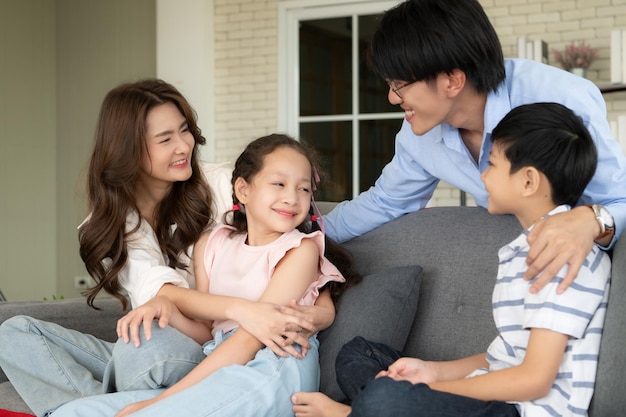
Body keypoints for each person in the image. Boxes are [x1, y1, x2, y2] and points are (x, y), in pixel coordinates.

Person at [0, 80, 329, 416]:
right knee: (13, 333)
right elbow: (165, 296)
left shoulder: (225, 183)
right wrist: (243, 310)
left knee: (141, 352)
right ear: (129, 151)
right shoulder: (109, 227)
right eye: (165, 139)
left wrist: (319, 311)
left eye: (184, 131)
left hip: (196, 348)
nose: (184, 146)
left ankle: (130, 405)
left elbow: (305, 240)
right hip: (194, 337)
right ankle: (121, 405)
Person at [294, 102, 611, 417]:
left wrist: (425, 391)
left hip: (518, 410)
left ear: (528, 181)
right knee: (359, 354)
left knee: (385, 399)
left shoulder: (562, 256)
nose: (483, 176)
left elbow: (534, 381)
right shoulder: (524, 248)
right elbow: (500, 356)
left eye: (493, 165)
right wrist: (430, 371)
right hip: (489, 393)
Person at [323, 0, 626, 295]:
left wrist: (591, 220)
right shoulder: (419, 134)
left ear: (452, 81)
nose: (391, 98)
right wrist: (305, 231)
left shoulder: (559, 98)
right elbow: (387, 200)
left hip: (584, 275)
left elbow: (619, 198)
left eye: (399, 84)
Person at [48, 133, 362, 417]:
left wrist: (159, 402)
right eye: (279, 184)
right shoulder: (211, 244)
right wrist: (169, 311)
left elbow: (249, 340)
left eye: (303, 188)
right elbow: (209, 333)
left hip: (273, 368)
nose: (292, 197)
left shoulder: (301, 249)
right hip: (220, 363)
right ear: (243, 189)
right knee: (72, 413)